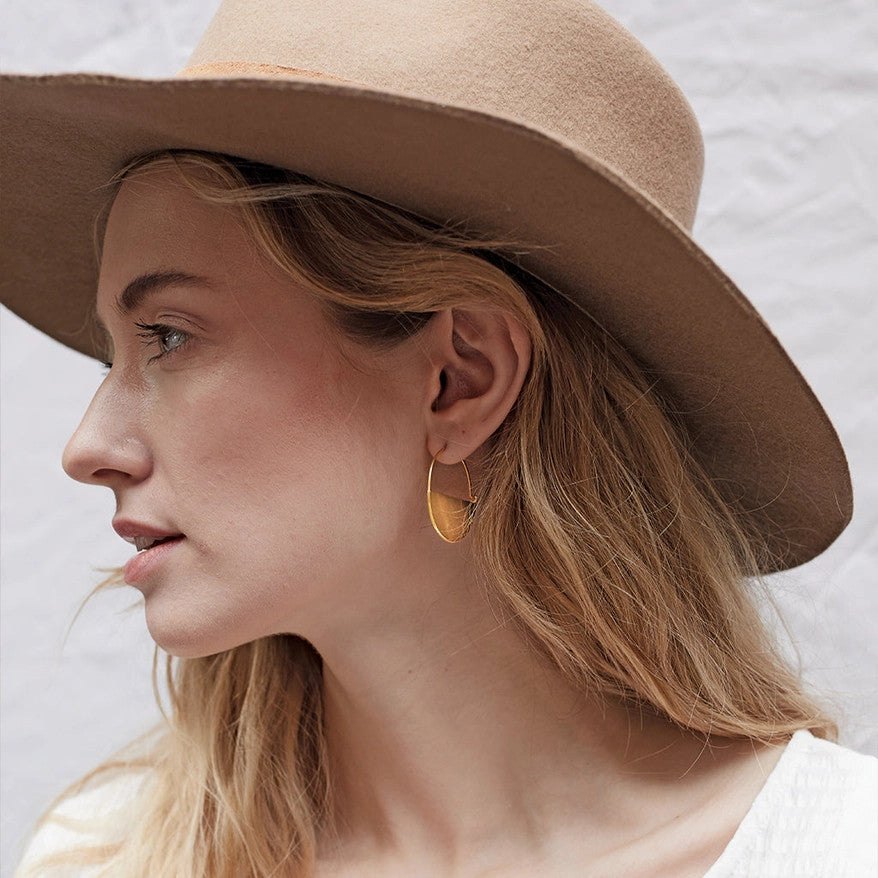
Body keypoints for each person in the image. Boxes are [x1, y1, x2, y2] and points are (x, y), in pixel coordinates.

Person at [2, 1, 875, 876]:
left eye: (168, 336)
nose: (88, 446)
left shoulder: (832, 852)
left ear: (463, 380)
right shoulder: (101, 859)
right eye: (115, 354)